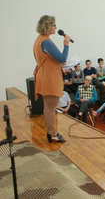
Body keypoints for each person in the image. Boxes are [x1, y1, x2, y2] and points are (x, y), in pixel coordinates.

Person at [33, 15, 69, 143]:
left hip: (44, 76)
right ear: (48, 26)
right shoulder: (46, 41)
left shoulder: (39, 39)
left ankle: (50, 132)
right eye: (54, 25)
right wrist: (66, 44)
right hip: (49, 78)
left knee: (48, 107)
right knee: (51, 108)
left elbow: (50, 59)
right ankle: (53, 134)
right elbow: (62, 58)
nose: (56, 27)